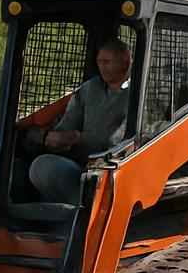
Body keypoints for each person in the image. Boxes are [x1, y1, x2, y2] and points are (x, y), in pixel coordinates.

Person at [26, 37, 132, 204]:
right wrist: (53, 138)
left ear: (126, 61)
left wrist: (77, 137)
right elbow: (67, 125)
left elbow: (118, 140)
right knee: (40, 166)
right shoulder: (89, 89)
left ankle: (86, 208)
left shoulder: (137, 94)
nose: (102, 67)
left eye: (107, 61)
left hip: (113, 170)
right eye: (99, 62)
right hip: (79, 164)